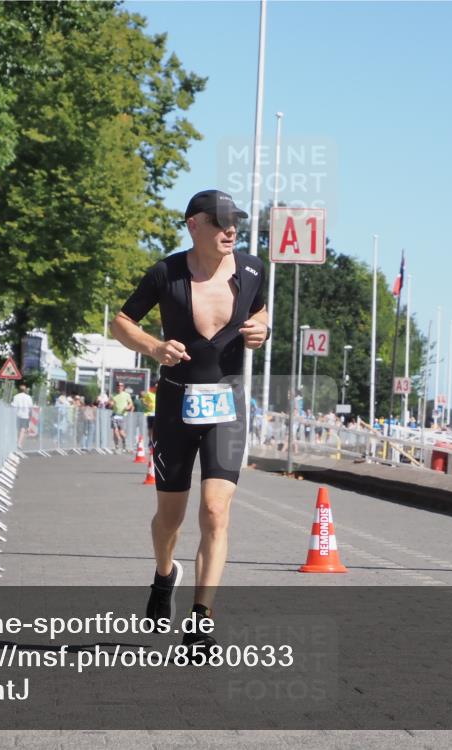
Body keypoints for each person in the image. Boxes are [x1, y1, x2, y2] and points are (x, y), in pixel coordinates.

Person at [109, 189, 267, 655]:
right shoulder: (166, 272)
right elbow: (122, 322)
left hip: (227, 405)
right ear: (194, 225)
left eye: (234, 221)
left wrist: (263, 329)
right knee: (169, 517)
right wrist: (155, 348)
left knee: (216, 510)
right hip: (176, 406)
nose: (230, 230)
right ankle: (164, 575)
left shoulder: (253, 270)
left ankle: (201, 621)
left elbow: (260, 314)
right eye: (219, 222)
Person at [108, 382, 134, 451]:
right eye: (118, 385)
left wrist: (128, 407)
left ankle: (125, 442)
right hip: (114, 414)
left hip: (122, 415)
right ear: (117, 387)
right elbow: (110, 404)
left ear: (123, 387)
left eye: (121, 386)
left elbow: (131, 403)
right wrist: (110, 404)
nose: (119, 387)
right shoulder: (113, 395)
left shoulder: (126, 395)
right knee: (115, 430)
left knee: (121, 432)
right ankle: (117, 446)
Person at [11, 384, 33, 449]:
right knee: (22, 430)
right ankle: (19, 443)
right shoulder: (28, 397)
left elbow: (13, 405)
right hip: (25, 415)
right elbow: (30, 406)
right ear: (25, 390)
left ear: (19, 390)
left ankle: (15, 441)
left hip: (17, 414)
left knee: (16, 429)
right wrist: (30, 414)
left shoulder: (16, 396)